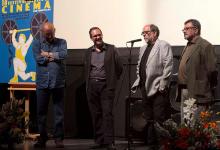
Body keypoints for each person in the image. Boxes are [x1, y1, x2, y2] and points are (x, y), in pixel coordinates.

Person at [131, 24, 173, 149]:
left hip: (158, 88)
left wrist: (162, 85)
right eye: (142, 33)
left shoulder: (163, 45)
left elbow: (168, 65)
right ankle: (151, 143)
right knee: (148, 116)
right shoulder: (143, 48)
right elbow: (140, 66)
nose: (143, 35)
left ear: (154, 33)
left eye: (146, 32)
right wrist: (139, 79)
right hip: (145, 87)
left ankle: (161, 144)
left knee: (159, 117)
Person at [84, 27, 123, 150]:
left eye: (99, 35)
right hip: (92, 86)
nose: (98, 37)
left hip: (106, 86)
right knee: (96, 114)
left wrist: (111, 80)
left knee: (107, 114)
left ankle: (109, 142)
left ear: (102, 35)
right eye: (95, 36)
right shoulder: (88, 52)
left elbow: (119, 68)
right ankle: (99, 140)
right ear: (91, 38)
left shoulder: (111, 49)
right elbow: (86, 69)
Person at [32, 22, 67, 148]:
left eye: (51, 33)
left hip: (58, 82)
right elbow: (38, 58)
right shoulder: (36, 43)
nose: (50, 36)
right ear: (42, 32)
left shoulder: (62, 42)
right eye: (47, 34)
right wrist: (53, 57)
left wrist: (47, 54)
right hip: (42, 82)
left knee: (59, 112)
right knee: (41, 112)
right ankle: (42, 137)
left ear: (54, 30)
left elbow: (63, 54)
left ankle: (58, 138)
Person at [178, 19, 218, 124]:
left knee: (197, 125)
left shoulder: (205, 45)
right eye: (183, 29)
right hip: (185, 90)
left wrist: (206, 87)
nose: (184, 31)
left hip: (198, 92)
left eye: (187, 28)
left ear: (195, 30)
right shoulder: (188, 45)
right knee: (185, 123)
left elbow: (212, 70)